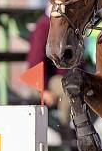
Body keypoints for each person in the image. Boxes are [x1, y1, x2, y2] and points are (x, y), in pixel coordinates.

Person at [27, 10, 72, 139]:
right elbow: (36, 61)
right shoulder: (44, 25)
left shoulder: (68, 25)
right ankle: (67, 137)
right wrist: (43, 90)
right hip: (44, 80)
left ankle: (80, 134)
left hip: (63, 77)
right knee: (69, 89)